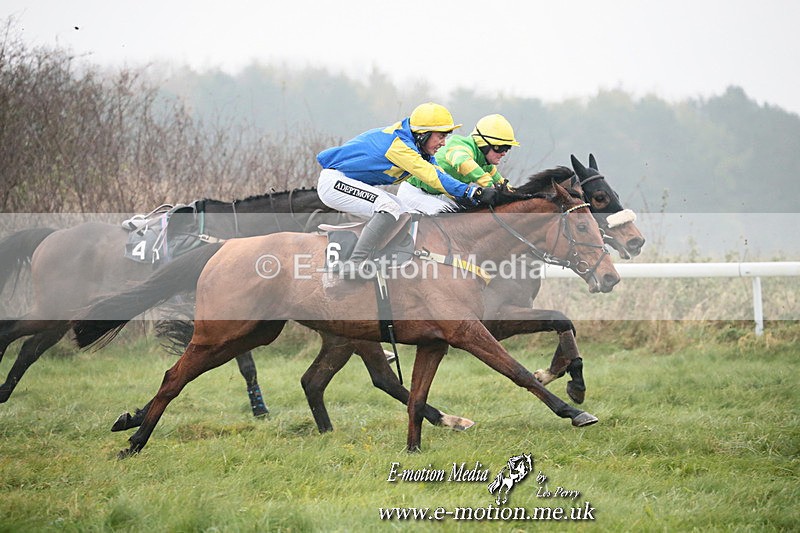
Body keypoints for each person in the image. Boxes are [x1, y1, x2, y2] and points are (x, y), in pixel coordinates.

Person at [316, 102, 498, 278]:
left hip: (345, 181)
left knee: (406, 213)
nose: (444, 143)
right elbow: (431, 176)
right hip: (334, 182)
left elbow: (440, 177)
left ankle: (383, 259)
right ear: (423, 134)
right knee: (389, 207)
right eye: (441, 136)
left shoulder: (418, 149)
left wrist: (471, 201)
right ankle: (355, 263)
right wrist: (472, 191)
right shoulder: (400, 146)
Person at [398, 114, 520, 214]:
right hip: (414, 193)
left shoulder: (484, 162)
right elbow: (461, 162)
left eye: (507, 148)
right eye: (500, 148)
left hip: (439, 196)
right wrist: (488, 185)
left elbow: (501, 182)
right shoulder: (460, 147)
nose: (504, 153)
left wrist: (520, 196)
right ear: (484, 144)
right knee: (448, 219)